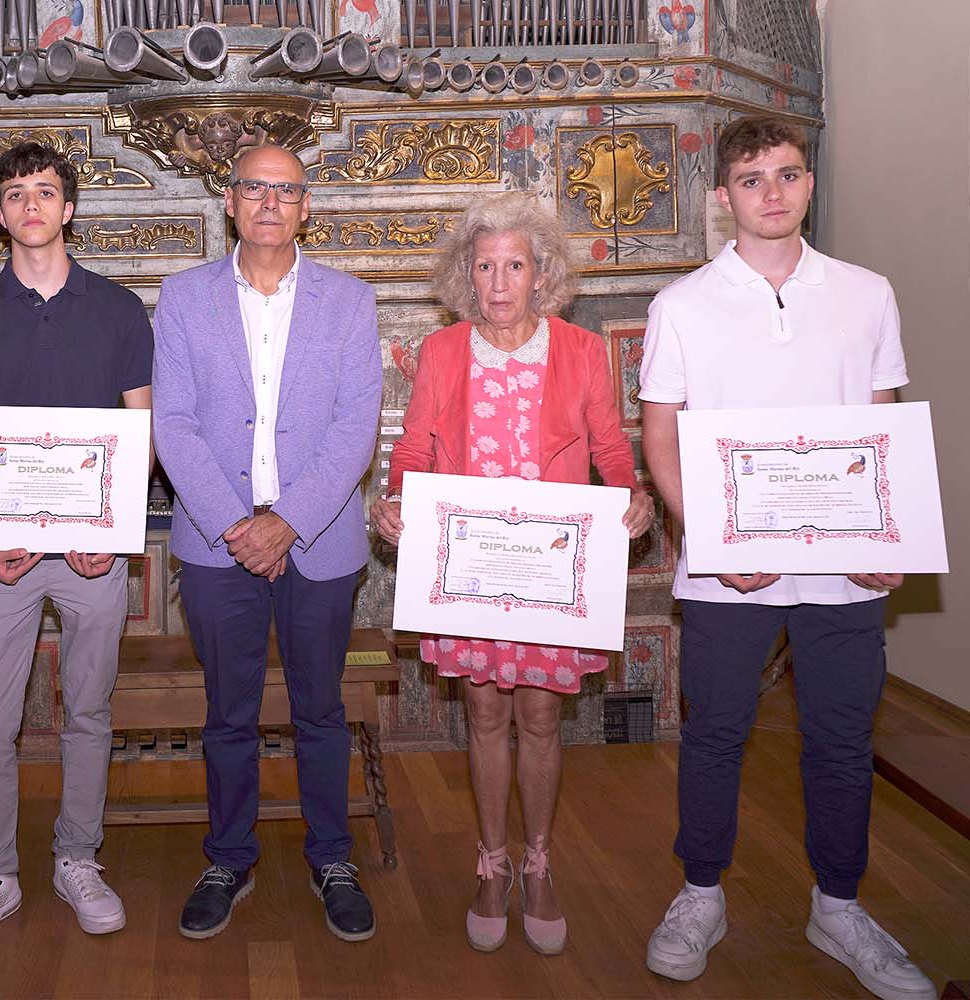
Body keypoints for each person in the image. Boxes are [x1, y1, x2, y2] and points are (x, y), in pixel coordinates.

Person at [639, 116, 934, 1000]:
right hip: (728, 567)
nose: (773, 192)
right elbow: (660, 436)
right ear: (723, 196)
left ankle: (838, 906)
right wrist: (708, 537)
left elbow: (881, 422)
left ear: (809, 183)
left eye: (789, 173)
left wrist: (889, 536)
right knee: (715, 733)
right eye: (752, 178)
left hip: (845, 566)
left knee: (841, 739)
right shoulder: (681, 305)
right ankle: (701, 894)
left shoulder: (867, 293)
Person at [371, 192, 653, 955]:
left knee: (540, 718)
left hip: (550, 578)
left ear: (542, 273)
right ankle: (491, 864)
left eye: (515, 266)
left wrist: (633, 495)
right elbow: (415, 446)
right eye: (485, 267)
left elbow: (610, 445)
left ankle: (539, 863)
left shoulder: (581, 351)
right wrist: (394, 501)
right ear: (467, 275)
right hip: (471, 572)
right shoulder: (442, 352)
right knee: (486, 714)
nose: (500, 283)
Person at [0, 142, 153, 957]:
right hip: (2, 555)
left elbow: (140, 431)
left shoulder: (120, 310)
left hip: (94, 552)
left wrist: (111, 533)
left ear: (69, 208)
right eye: (16, 193)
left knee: (87, 712)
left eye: (46, 192)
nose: (32, 206)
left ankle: (76, 859)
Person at [153, 144, 383, 943]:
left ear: (306, 206)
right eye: (254, 187)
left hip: (319, 540)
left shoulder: (349, 301)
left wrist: (287, 522)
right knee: (229, 713)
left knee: (321, 710)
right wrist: (236, 525)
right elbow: (173, 423)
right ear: (230, 199)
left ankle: (333, 859)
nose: (270, 203)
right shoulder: (183, 297)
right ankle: (228, 858)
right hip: (216, 542)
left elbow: (356, 428)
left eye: (286, 191)